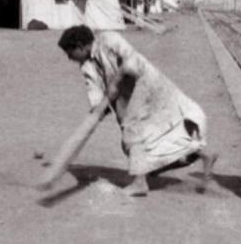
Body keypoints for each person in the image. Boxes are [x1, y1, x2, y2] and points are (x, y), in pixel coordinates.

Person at [57, 25, 216, 196]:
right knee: (146, 139)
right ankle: (202, 154)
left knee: (132, 132)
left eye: (69, 52)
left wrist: (116, 82)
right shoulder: (86, 67)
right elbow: (96, 96)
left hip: (145, 82)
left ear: (80, 46)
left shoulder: (108, 39)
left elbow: (132, 60)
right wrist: (97, 113)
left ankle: (140, 183)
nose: (69, 58)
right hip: (128, 98)